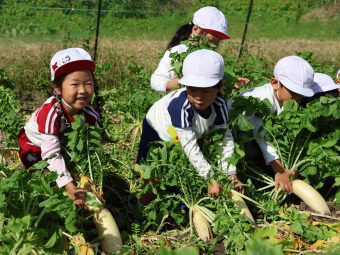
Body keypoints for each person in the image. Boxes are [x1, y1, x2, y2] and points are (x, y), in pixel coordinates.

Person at [138, 49, 241, 197]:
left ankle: (179, 202)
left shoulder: (219, 105)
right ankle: (141, 202)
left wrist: (230, 172)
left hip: (186, 134)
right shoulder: (179, 106)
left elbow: (224, 138)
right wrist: (209, 177)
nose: (199, 97)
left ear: (220, 86)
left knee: (182, 174)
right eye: (192, 90)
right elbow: (190, 146)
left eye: (205, 91)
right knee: (150, 171)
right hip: (157, 128)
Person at [18, 48, 100, 207]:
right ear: (57, 87)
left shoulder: (90, 113)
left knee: (72, 169)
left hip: (61, 142)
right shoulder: (51, 112)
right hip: (34, 146)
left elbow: (92, 147)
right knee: (43, 180)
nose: (83, 90)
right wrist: (70, 187)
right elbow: (51, 155)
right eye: (75, 84)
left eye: (88, 83)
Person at [229, 56, 315, 194]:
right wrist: (280, 170)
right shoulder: (261, 100)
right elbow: (262, 138)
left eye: (301, 94)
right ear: (275, 83)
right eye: (294, 92)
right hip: (231, 137)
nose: (298, 98)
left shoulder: (285, 100)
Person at [151, 6, 249, 92]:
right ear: (196, 29)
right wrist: (181, 83)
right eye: (212, 39)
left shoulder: (213, 58)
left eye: (218, 40)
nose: (215, 45)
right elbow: (156, 80)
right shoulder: (178, 51)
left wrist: (231, 83)